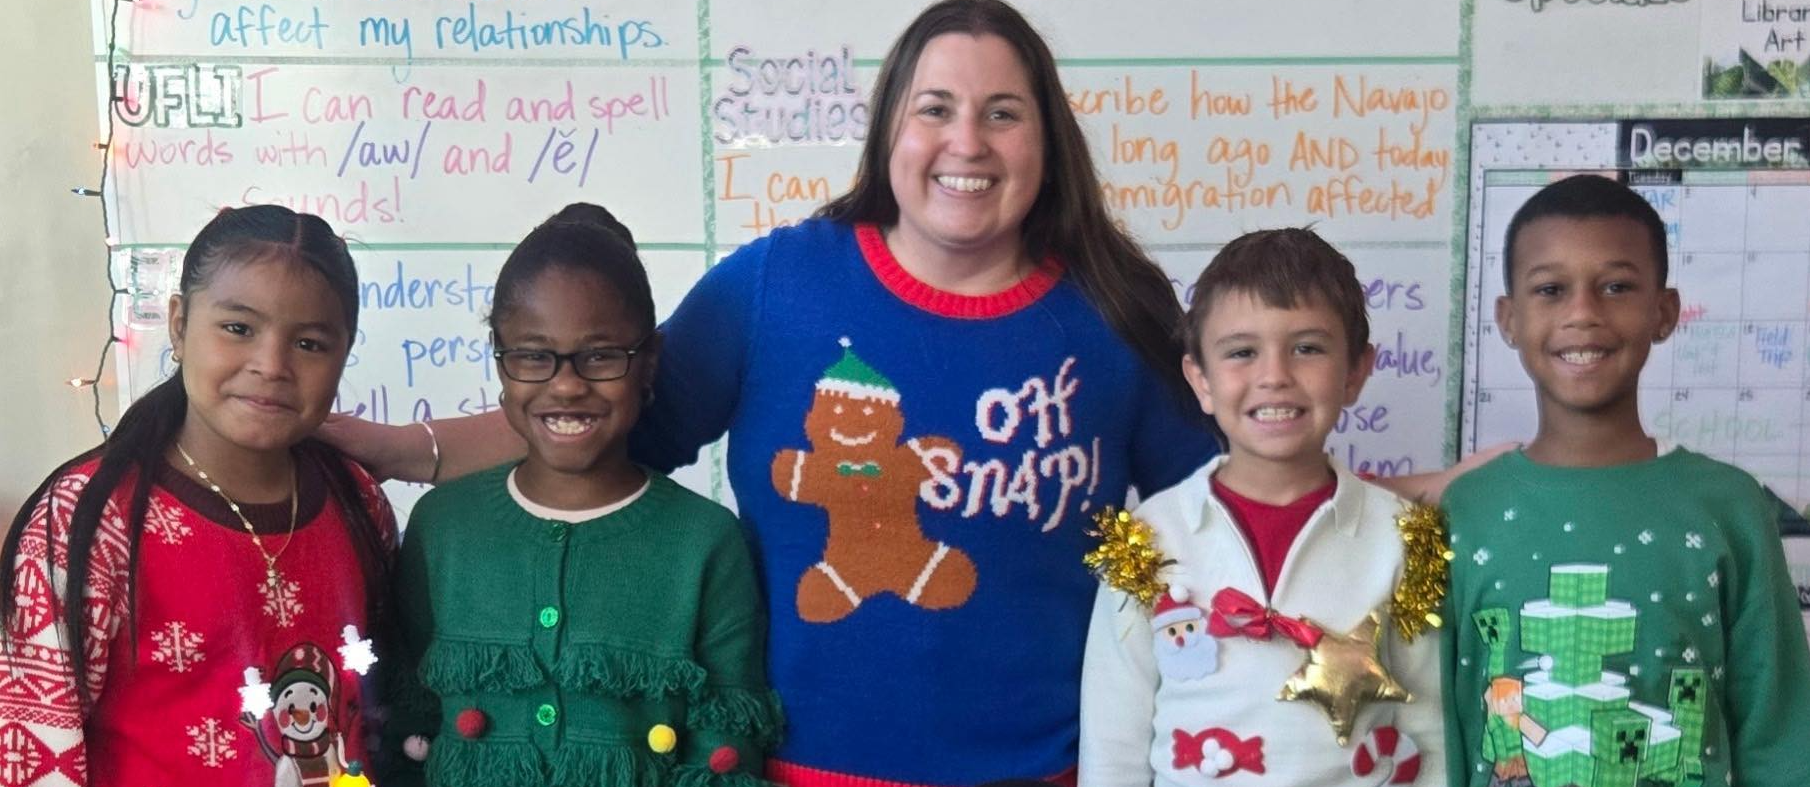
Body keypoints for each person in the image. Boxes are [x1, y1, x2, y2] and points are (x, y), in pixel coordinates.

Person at [322, 3, 1473, 782]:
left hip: (1051, 766)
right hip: (806, 762)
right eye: (935, 107)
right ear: (890, 129)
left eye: (1001, 111)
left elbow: (1242, 499)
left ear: (1044, 140)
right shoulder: (779, 284)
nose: (963, 141)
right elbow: (582, 423)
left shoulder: (1116, 310)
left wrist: (1443, 492)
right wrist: (379, 445)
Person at [379, 206, 777, 787]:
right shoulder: (441, 526)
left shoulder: (706, 542)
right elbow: (406, 723)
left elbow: (726, 747)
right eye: (534, 355)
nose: (566, 384)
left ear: (649, 363)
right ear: (501, 361)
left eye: (600, 355)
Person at [0, 206, 397, 786]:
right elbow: (36, 749)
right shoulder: (88, 519)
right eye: (238, 329)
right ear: (180, 325)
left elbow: (374, 714)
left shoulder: (356, 501)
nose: (271, 366)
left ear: (345, 353)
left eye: (310, 343)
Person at [1440, 174, 1810, 787]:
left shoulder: (1729, 506)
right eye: (1551, 289)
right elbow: (1444, 727)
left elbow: (1778, 731)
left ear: (1663, 312)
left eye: (1615, 287)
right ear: (1508, 318)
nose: (1582, 313)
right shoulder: (1466, 510)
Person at [1078, 229, 1446, 786]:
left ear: (1355, 372)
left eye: (1307, 348)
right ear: (1199, 379)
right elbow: (1113, 744)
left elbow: (1431, 727)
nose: (1274, 376)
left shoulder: (1402, 537)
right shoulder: (1147, 540)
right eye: (1242, 352)